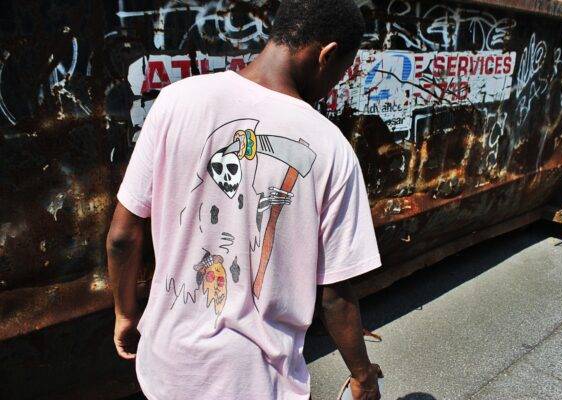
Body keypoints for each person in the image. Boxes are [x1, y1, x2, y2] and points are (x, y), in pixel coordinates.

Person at [106, 0, 383, 399]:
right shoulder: (333, 150)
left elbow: (122, 236)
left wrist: (125, 313)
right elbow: (335, 296)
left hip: (168, 368)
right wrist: (362, 376)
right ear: (328, 55)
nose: (336, 83)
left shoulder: (175, 101)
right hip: (254, 382)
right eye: (342, 71)